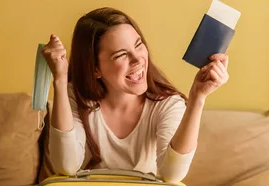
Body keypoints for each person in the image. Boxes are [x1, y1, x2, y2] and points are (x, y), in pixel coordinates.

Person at [41, 7, 229, 183]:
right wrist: (59, 78)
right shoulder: (77, 97)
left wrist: (197, 97)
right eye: (121, 54)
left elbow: (172, 175)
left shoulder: (167, 104)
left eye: (138, 45)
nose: (138, 59)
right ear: (95, 69)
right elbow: (66, 165)